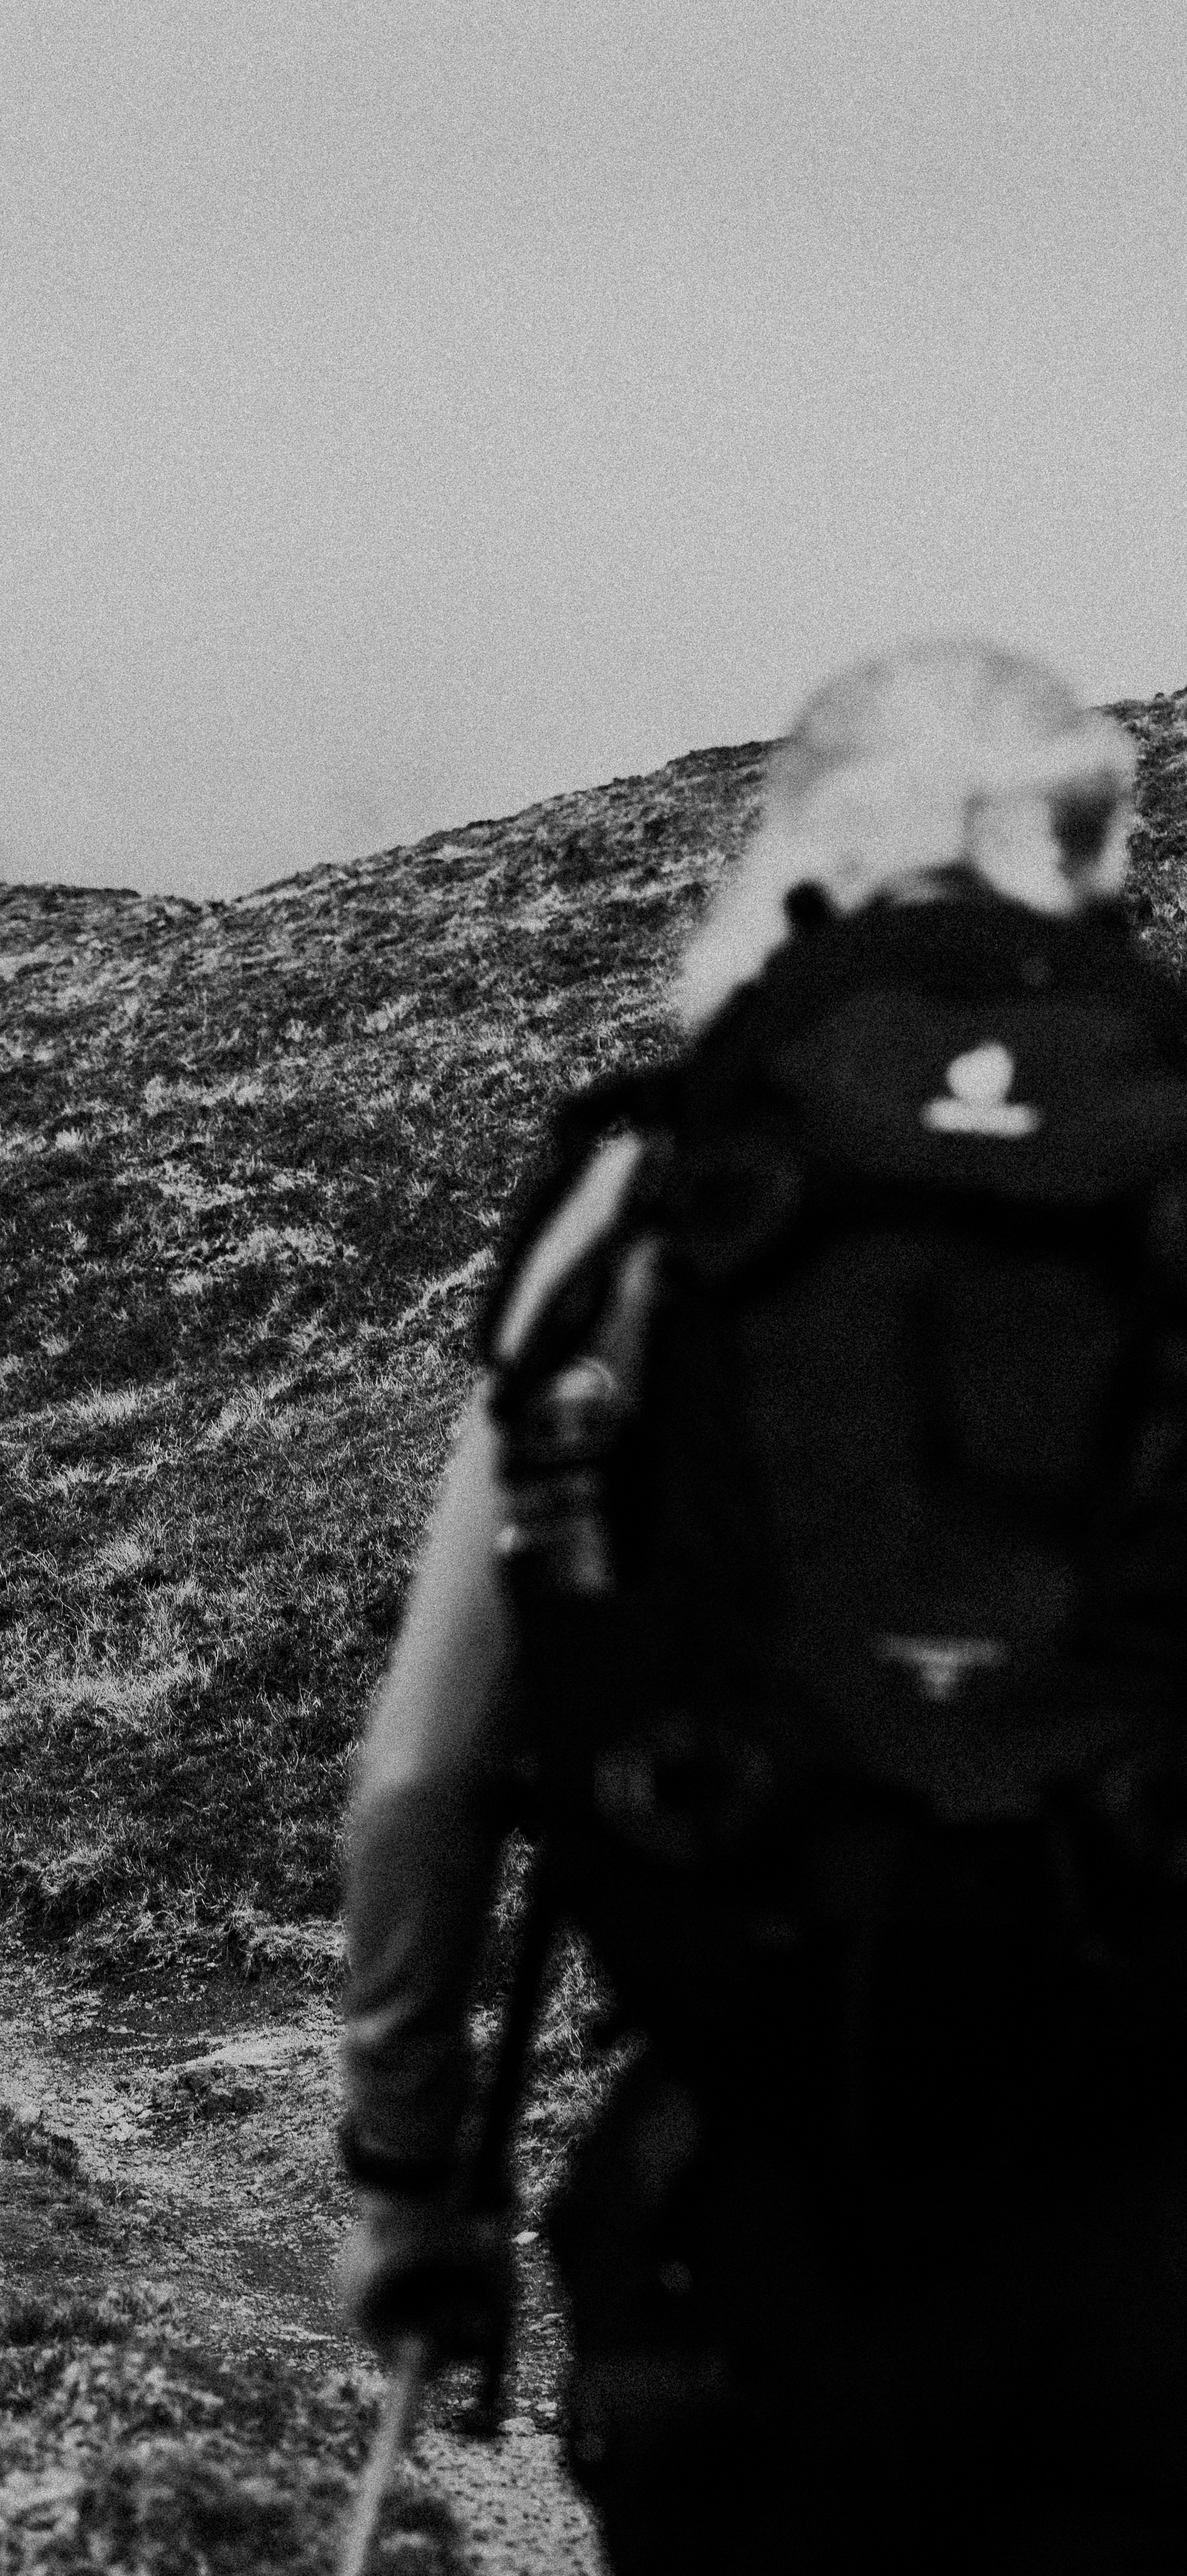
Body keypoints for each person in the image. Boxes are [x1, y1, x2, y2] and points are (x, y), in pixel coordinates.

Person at [336, 643, 1187, 2575]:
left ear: (794, 859)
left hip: (750, 2223)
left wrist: (407, 2188)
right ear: (1093, 863)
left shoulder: (657, 1185)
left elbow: (420, 1780)